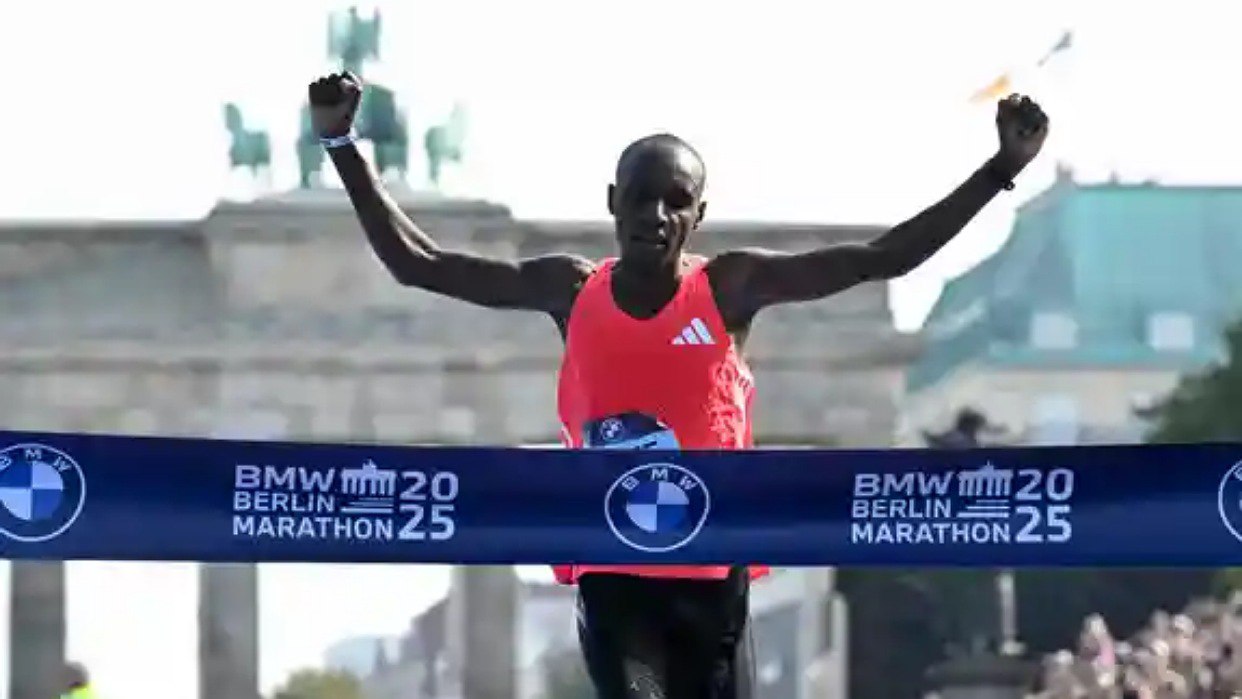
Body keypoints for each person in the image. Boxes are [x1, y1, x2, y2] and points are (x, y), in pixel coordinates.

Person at [308, 71, 1049, 699]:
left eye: (674, 202)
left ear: (698, 215)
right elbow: (421, 263)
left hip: (711, 571)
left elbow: (884, 257)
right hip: (613, 566)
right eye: (639, 197)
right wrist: (342, 146)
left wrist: (999, 169)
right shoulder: (572, 290)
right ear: (612, 201)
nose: (653, 216)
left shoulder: (731, 288)